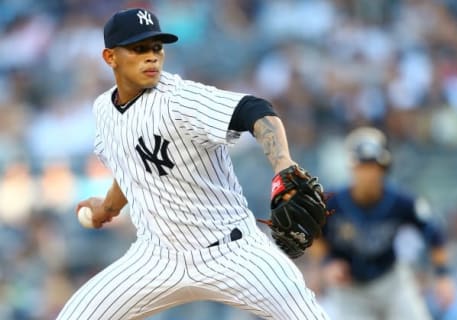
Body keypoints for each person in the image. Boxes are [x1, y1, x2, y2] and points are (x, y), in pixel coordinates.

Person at [56, 7, 330, 320]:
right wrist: (109, 207)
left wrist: (283, 164)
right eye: (138, 49)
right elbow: (129, 163)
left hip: (233, 252)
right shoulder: (103, 110)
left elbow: (254, 109)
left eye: (156, 48)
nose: (152, 57)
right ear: (110, 57)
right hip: (156, 258)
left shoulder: (179, 99)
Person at [319, 126, 455, 320]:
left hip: (391, 281)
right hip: (350, 289)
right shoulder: (332, 202)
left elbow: (434, 232)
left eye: (373, 166)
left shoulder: (401, 201)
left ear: (384, 168)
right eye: (362, 166)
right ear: (352, 168)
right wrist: (327, 262)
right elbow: (313, 234)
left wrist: (443, 275)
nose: (368, 173)